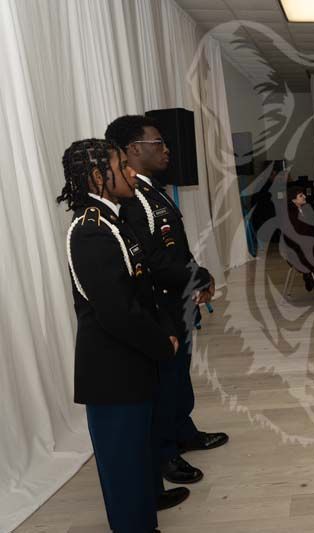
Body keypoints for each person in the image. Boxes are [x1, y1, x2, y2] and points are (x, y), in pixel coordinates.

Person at [58, 139, 188, 533]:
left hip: (134, 361)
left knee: (141, 445)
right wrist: (161, 343)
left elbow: (144, 287)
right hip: (113, 371)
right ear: (100, 177)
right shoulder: (90, 232)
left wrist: (165, 327)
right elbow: (117, 313)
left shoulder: (115, 218)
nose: (132, 172)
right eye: (122, 166)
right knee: (122, 465)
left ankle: (151, 498)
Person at [105, 116, 229, 487]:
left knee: (179, 375)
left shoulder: (152, 189)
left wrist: (198, 277)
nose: (167, 149)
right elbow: (152, 261)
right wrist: (197, 277)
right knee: (164, 381)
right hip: (159, 304)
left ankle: (183, 432)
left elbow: (176, 249)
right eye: (157, 142)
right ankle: (164, 455)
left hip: (178, 299)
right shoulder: (130, 198)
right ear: (132, 150)